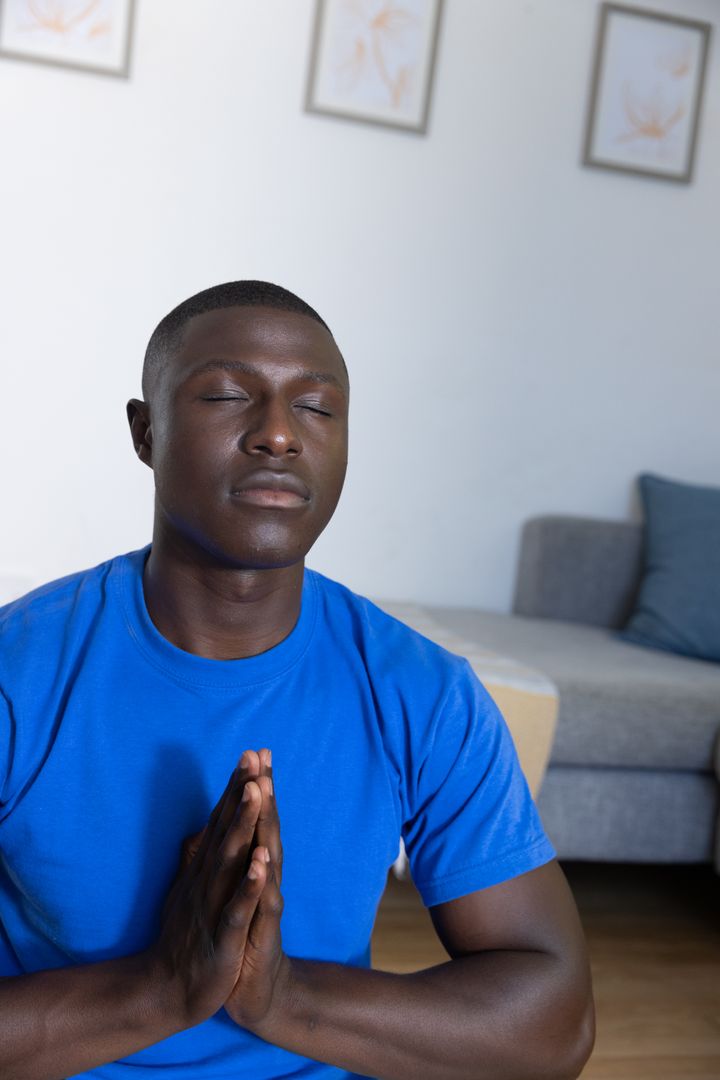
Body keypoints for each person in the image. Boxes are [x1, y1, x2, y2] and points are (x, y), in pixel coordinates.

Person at [0, 281, 595, 1080]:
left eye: (316, 407)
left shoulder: (423, 692)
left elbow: (555, 1027)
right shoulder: (20, 671)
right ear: (146, 432)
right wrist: (156, 992)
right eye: (225, 394)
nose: (278, 434)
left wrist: (282, 998)